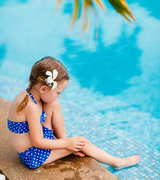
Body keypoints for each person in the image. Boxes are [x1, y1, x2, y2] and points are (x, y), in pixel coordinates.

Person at [7, 56, 140, 170]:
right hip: (32, 155)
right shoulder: (31, 107)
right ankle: (117, 162)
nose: (59, 96)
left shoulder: (30, 93)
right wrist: (67, 145)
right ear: (43, 88)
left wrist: (65, 144)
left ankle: (65, 140)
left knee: (53, 103)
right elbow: (38, 142)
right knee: (82, 142)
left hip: (35, 144)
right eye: (58, 92)